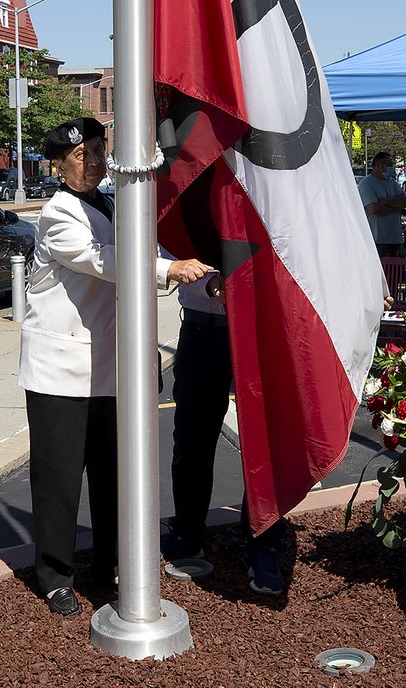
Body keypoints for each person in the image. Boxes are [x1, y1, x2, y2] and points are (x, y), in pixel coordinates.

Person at [19, 118, 211, 616]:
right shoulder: (58, 213)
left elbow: (144, 245)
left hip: (110, 367)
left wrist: (192, 270)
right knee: (59, 479)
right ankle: (55, 576)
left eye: (98, 150)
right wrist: (167, 269)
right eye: (80, 155)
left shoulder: (110, 202)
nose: (94, 160)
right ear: (57, 166)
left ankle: (108, 562)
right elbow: (102, 259)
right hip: (61, 371)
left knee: (112, 474)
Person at [162, 273, 287, 595]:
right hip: (202, 328)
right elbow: (172, 254)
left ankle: (264, 541)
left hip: (262, 328)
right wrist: (206, 284)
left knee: (267, 445)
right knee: (192, 437)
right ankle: (187, 532)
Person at [358, 152, 406, 257]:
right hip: (378, 241)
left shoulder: (392, 182)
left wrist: (387, 202)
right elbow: (373, 209)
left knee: (397, 267)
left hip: (396, 240)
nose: (392, 167)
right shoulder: (366, 184)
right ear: (379, 165)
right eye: (389, 164)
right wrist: (397, 206)